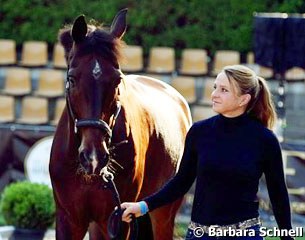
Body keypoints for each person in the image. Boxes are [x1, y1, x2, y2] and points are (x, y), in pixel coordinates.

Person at [120, 65, 293, 240]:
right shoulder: (199, 132)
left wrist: (287, 237)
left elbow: (278, 193)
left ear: (243, 100)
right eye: (215, 87)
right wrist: (143, 206)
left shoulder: (265, 140)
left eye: (224, 90)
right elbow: (181, 181)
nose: (214, 94)